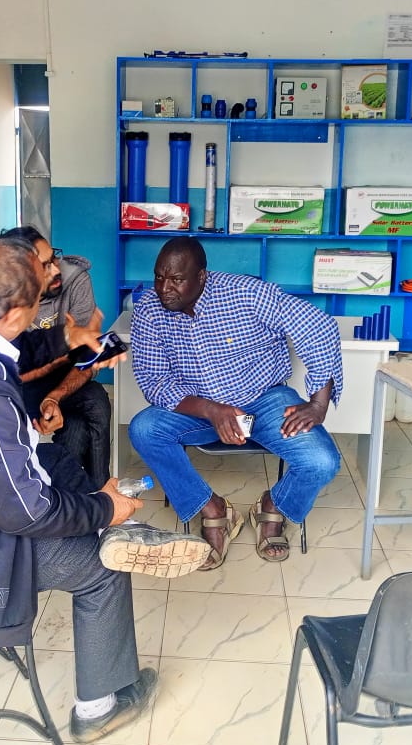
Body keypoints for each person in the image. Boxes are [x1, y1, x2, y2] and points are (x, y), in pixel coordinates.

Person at [0, 235, 204, 743]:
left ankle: (116, 523)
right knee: (101, 570)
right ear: (16, 312)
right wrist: (99, 509)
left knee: (55, 456)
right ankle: (98, 707)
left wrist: (65, 341)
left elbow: (4, 357)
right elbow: (23, 514)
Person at [129, 237, 344, 569]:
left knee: (322, 462)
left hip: (264, 400)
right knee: (144, 429)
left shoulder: (247, 294)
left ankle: (272, 507)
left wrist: (318, 403)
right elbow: (154, 380)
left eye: (176, 279)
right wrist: (212, 410)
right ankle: (213, 510)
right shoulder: (148, 309)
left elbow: (317, 326)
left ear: (201, 276)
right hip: (199, 408)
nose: (164, 288)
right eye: (159, 277)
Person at [3, 226, 113, 490]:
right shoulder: (4, 302)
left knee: (94, 404)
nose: (56, 270)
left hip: (62, 378)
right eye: (45, 265)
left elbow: (86, 355)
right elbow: (9, 374)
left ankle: (100, 497)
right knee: (77, 427)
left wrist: (55, 396)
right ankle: (76, 502)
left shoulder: (75, 280)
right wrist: (65, 353)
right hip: (19, 387)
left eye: (54, 258)